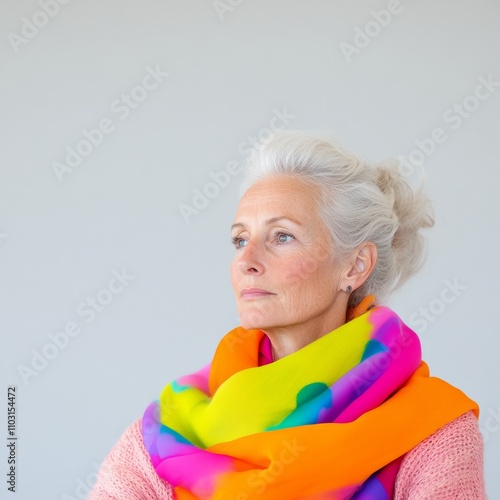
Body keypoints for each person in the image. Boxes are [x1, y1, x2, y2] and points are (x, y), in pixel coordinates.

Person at [89, 131, 485, 499]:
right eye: (240, 239)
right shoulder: (166, 432)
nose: (246, 260)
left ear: (355, 265)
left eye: (282, 236)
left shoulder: (434, 431)